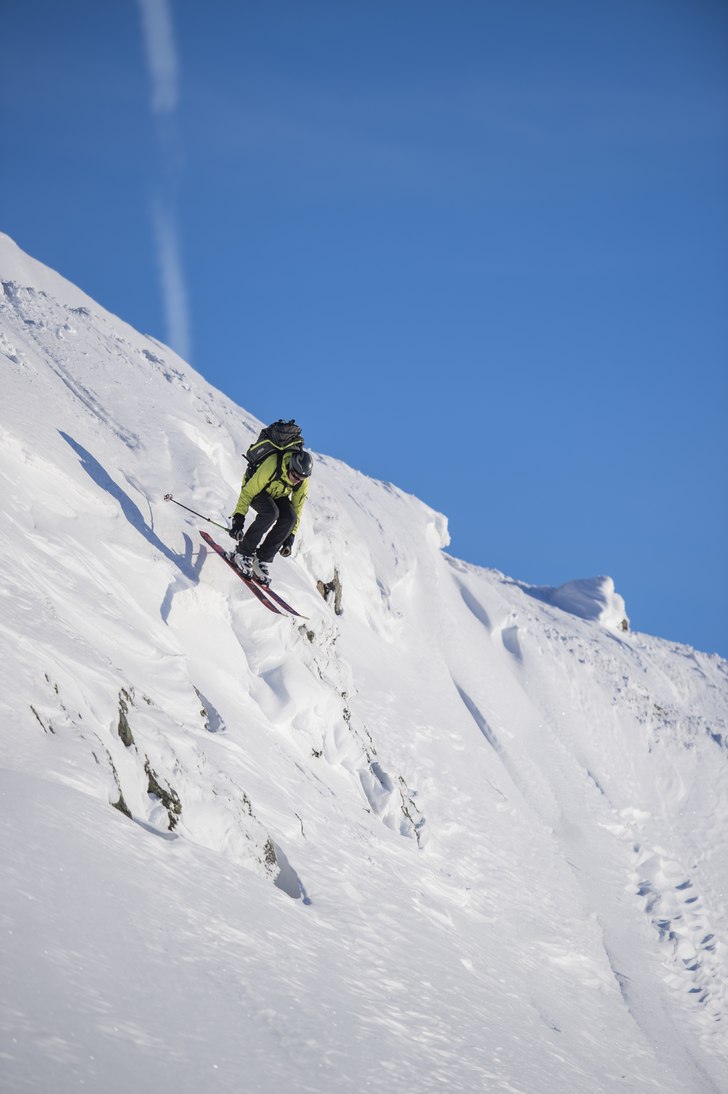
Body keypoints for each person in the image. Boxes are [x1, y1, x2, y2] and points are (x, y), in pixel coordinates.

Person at [229, 448, 313, 585]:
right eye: (295, 475)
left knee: (290, 518)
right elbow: (248, 492)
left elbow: (297, 510)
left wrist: (290, 537)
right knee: (271, 513)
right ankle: (242, 552)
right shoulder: (273, 464)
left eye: (301, 478)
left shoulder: (301, 482)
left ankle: (261, 559)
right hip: (256, 490)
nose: (296, 480)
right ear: (290, 465)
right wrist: (238, 519)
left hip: (277, 495)